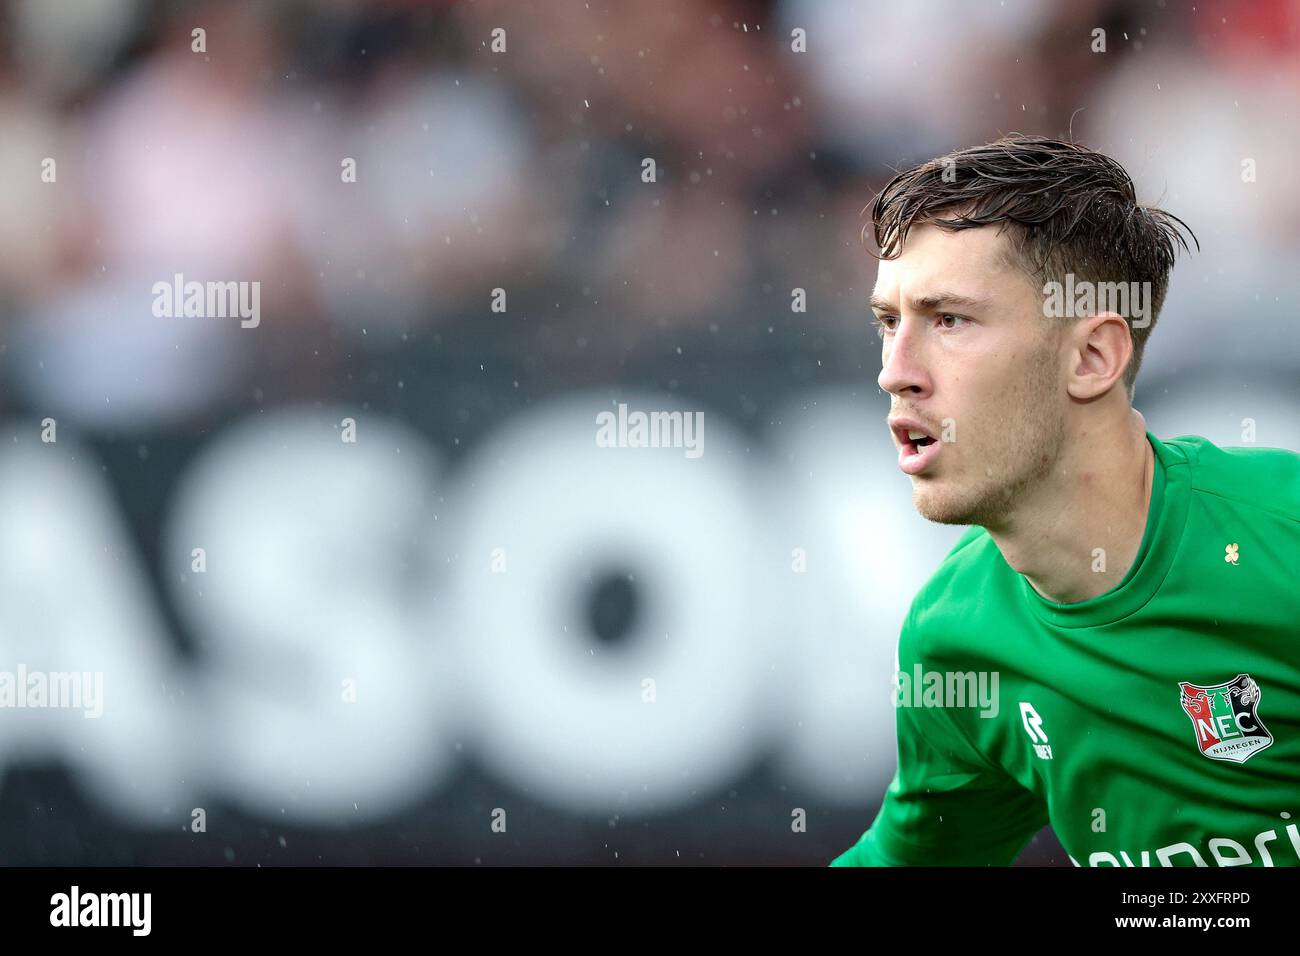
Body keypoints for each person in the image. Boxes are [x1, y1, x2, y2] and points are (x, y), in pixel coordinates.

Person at [832, 134, 1300, 867]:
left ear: (1091, 357)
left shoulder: (1284, 537)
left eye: (948, 320)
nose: (895, 373)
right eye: (888, 323)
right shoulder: (954, 636)